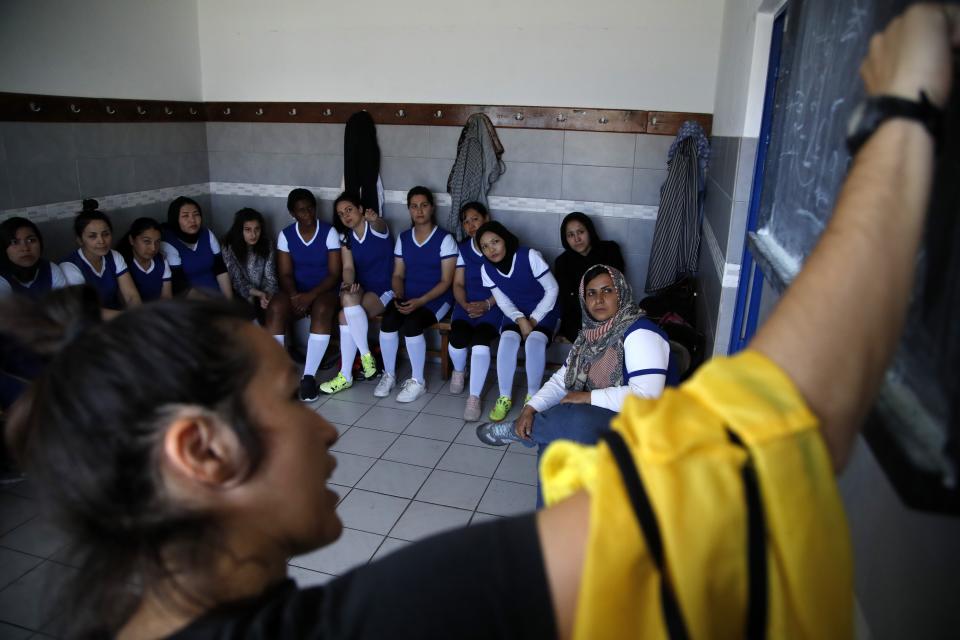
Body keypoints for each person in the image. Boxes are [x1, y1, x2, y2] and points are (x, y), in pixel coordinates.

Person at [0, 7, 953, 637]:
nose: (330, 418)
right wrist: (905, 115)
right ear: (203, 452)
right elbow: (758, 445)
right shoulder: (376, 620)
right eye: (291, 397)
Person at [477, 264, 670, 504]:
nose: (598, 299)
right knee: (552, 445)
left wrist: (587, 397)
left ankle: (522, 432)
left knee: (572, 417)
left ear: (621, 292)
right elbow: (562, 378)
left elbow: (649, 397)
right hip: (607, 414)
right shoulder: (590, 334)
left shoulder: (639, 333)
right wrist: (531, 408)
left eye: (607, 290)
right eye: (591, 293)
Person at [373, 186, 457, 403]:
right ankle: (389, 374)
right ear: (409, 210)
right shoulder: (404, 238)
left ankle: (418, 381)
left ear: (432, 208)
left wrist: (420, 301)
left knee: (412, 324)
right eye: (414, 206)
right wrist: (399, 295)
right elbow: (398, 274)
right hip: (409, 295)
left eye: (424, 205)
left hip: (437, 299)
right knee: (389, 320)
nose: (419, 211)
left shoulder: (445, 239)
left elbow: (446, 281)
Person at [476, 221, 559, 422]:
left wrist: (533, 319)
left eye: (495, 241)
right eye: (485, 246)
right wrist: (520, 319)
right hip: (515, 311)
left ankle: (533, 399)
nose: (491, 249)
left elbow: (553, 289)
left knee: (534, 342)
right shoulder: (486, 268)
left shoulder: (529, 256)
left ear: (506, 239)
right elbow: (503, 300)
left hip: (546, 308)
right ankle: (504, 397)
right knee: (507, 341)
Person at [265, 188, 342, 401]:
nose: (307, 214)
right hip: (296, 291)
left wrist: (309, 296)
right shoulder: (286, 235)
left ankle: (308, 377)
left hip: (324, 290)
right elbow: (285, 273)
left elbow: (334, 274)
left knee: (323, 308)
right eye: (301, 210)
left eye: (310, 208)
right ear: (292, 213)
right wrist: (294, 296)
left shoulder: (329, 232)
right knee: (275, 306)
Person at [319, 192, 392, 395]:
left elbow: (380, 226)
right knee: (347, 297)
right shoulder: (346, 238)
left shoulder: (377, 228)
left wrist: (375, 219)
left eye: (349, 210)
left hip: (383, 288)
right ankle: (366, 355)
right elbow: (348, 267)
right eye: (341, 214)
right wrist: (348, 284)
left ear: (360, 209)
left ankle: (346, 375)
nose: (346, 216)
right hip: (362, 286)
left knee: (344, 316)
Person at [448, 202, 502, 420]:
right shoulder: (462, 250)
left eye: (475, 219)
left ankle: (474, 397)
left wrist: (487, 304)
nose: (470, 225)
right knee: (457, 337)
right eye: (466, 221)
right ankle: (459, 371)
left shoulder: (498, 246)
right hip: (466, 305)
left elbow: (506, 285)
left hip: (494, 306)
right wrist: (465, 304)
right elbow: (458, 284)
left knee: (481, 342)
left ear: (486, 218)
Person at [60, 200, 141, 316]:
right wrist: (126, 318)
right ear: (80, 240)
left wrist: (138, 316)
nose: (101, 241)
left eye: (106, 234)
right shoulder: (70, 266)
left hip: (119, 319)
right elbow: (86, 311)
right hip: (89, 324)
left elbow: (131, 296)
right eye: (92, 236)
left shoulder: (114, 256)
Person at [554, 211, 625, 343]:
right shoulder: (562, 262)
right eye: (570, 235)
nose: (577, 239)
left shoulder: (610, 251)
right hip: (579, 318)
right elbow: (567, 300)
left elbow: (618, 288)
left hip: (609, 311)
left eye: (580, 232)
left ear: (590, 231)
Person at [161, 196, 233, 299]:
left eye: (196, 215)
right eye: (185, 216)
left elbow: (220, 269)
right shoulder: (168, 243)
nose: (192, 220)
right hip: (192, 301)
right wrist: (212, 305)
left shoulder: (207, 234)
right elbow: (179, 284)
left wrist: (229, 301)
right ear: (175, 219)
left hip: (216, 295)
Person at [221, 208, 278, 323]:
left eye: (257, 229)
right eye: (247, 230)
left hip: (264, 290)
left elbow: (270, 277)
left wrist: (266, 295)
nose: (253, 234)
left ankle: (277, 340)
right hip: (241, 292)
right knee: (247, 308)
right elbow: (237, 281)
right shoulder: (228, 245)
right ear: (239, 230)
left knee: (275, 307)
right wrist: (257, 294)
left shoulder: (267, 243)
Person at [0, 217, 67, 299]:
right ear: (3, 247)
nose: (25, 248)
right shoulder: (2, 277)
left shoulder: (51, 269)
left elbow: (64, 306)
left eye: (31, 240)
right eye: (15, 242)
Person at [118, 217, 172, 302]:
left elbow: (167, 297)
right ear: (132, 240)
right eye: (147, 241)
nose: (153, 248)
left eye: (157, 242)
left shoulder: (161, 261)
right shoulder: (122, 264)